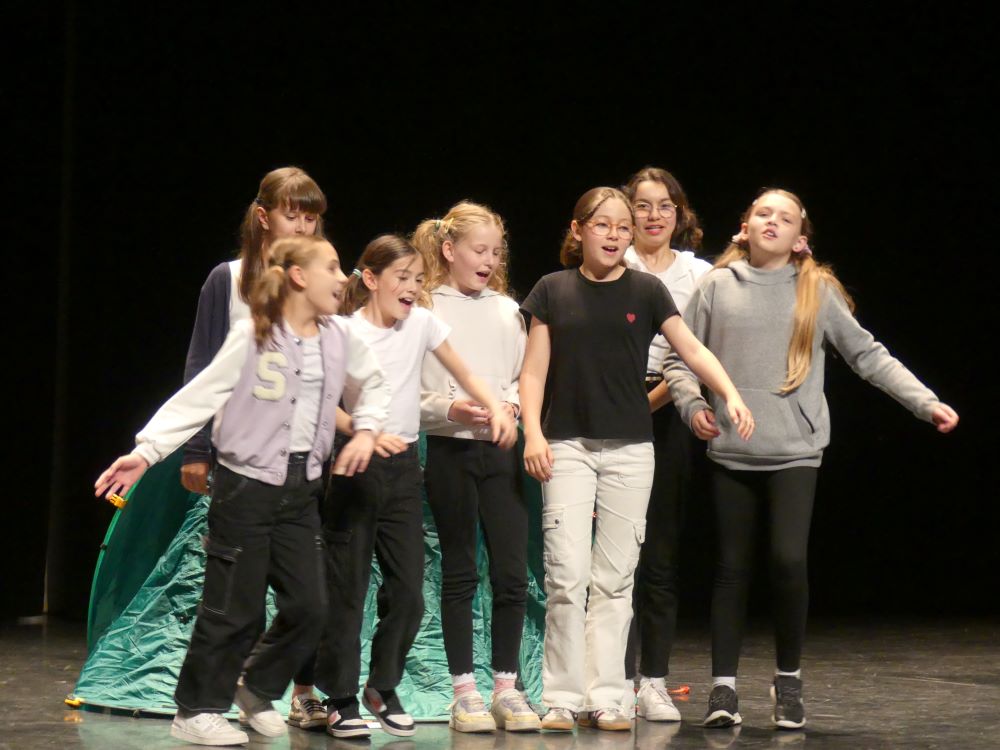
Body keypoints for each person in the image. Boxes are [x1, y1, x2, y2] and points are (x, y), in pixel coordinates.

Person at [663, 189, 959, 730]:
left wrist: (924, 401)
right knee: (731, 568)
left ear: (800, 239)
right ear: (744, 227)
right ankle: (724, 687)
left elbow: (867, 355)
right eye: (763, 213)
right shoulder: (716, 286)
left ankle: (789, 679)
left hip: (795, 450)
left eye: (785, 218)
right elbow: (681, 358)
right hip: (732, 448)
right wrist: (692, 405)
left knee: (787, 561)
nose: (772, 222)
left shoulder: (814, 291)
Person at [95, 235, 390, 747]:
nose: (342, 277)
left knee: (311, 605)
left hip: (301, 490)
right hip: (245, 489)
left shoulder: (341, 336)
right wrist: (147, 451)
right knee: (234, 607)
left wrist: (365, 430)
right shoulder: (254, 333)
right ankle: (196, 710)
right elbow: (202, 394)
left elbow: (376, 384)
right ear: (298, 275)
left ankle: (254, 687)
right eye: (331, 266)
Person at [518, 187, 752, 732]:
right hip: (568, 445)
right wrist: (532, 434)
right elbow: (533, 371)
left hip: (630, 449)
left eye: (623, 227)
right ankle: (561, 697)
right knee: (566, 575)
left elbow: (690, 349)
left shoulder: (647, 290)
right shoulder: (552, 289)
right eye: (603, 225)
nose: (615, 235)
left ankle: (609, 696)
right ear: (578, 230)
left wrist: (729, 392)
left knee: (615, 579)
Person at [314, 234, 518, 740]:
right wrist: (360, 431)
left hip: (404, 468)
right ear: (370, 279)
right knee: (348, 591)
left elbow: (462, 369)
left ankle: (382, 685)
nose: (411, 288)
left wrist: (495, 407)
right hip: (355, 465)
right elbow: (320, 400)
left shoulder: (422, 323)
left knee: (409, 594)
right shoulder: (343, 330)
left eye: (419, 279)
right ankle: (340, 698)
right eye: (401, 278)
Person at [414, 202, 539, 732]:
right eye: (478, 250)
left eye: (495, 253)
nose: (488, 261)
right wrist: (450, 409)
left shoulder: (507, 311)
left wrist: (510, 405)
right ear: (449, 250)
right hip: (451, 453)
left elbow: (521, 377)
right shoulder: (425, 308)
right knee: (461, 571)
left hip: (500, 452)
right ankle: (464, 691)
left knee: (511, 573)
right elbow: (410, 392)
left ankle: (506, 687)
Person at [620, 166, 712, 722]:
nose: (654, 216)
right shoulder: (613, 263)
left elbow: (697, 352)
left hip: (670, 409)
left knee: (659, 554)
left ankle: (652, 679)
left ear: (680, 215)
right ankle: (609, 679)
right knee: (612, 557)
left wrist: (653, 402)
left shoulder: (699, 275)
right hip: (609, 409)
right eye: (643, 205)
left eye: (665, 206)